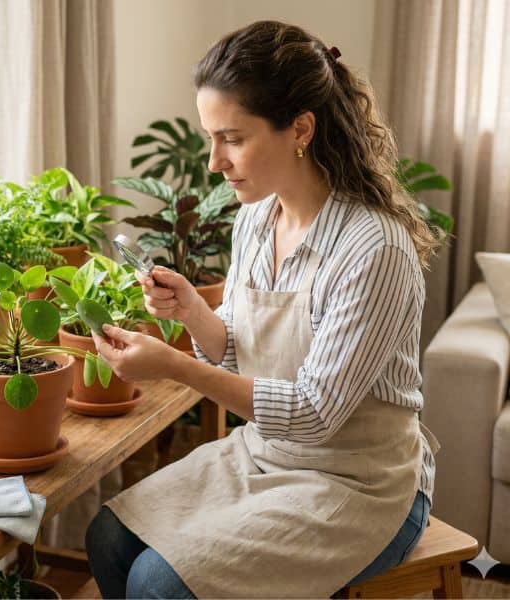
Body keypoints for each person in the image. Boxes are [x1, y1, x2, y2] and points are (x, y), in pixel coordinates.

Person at [84, 20, 442, 599]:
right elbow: (237, 347)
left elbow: (314, 413)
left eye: (232, 138)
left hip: (360, 486)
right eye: (210, 138)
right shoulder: (256, 218)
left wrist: (174, 367)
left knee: (160, 583)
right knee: (108, 537)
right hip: (267, 456)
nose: (213, 163)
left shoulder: (374, 250)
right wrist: (192, 314)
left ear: (300, 129)